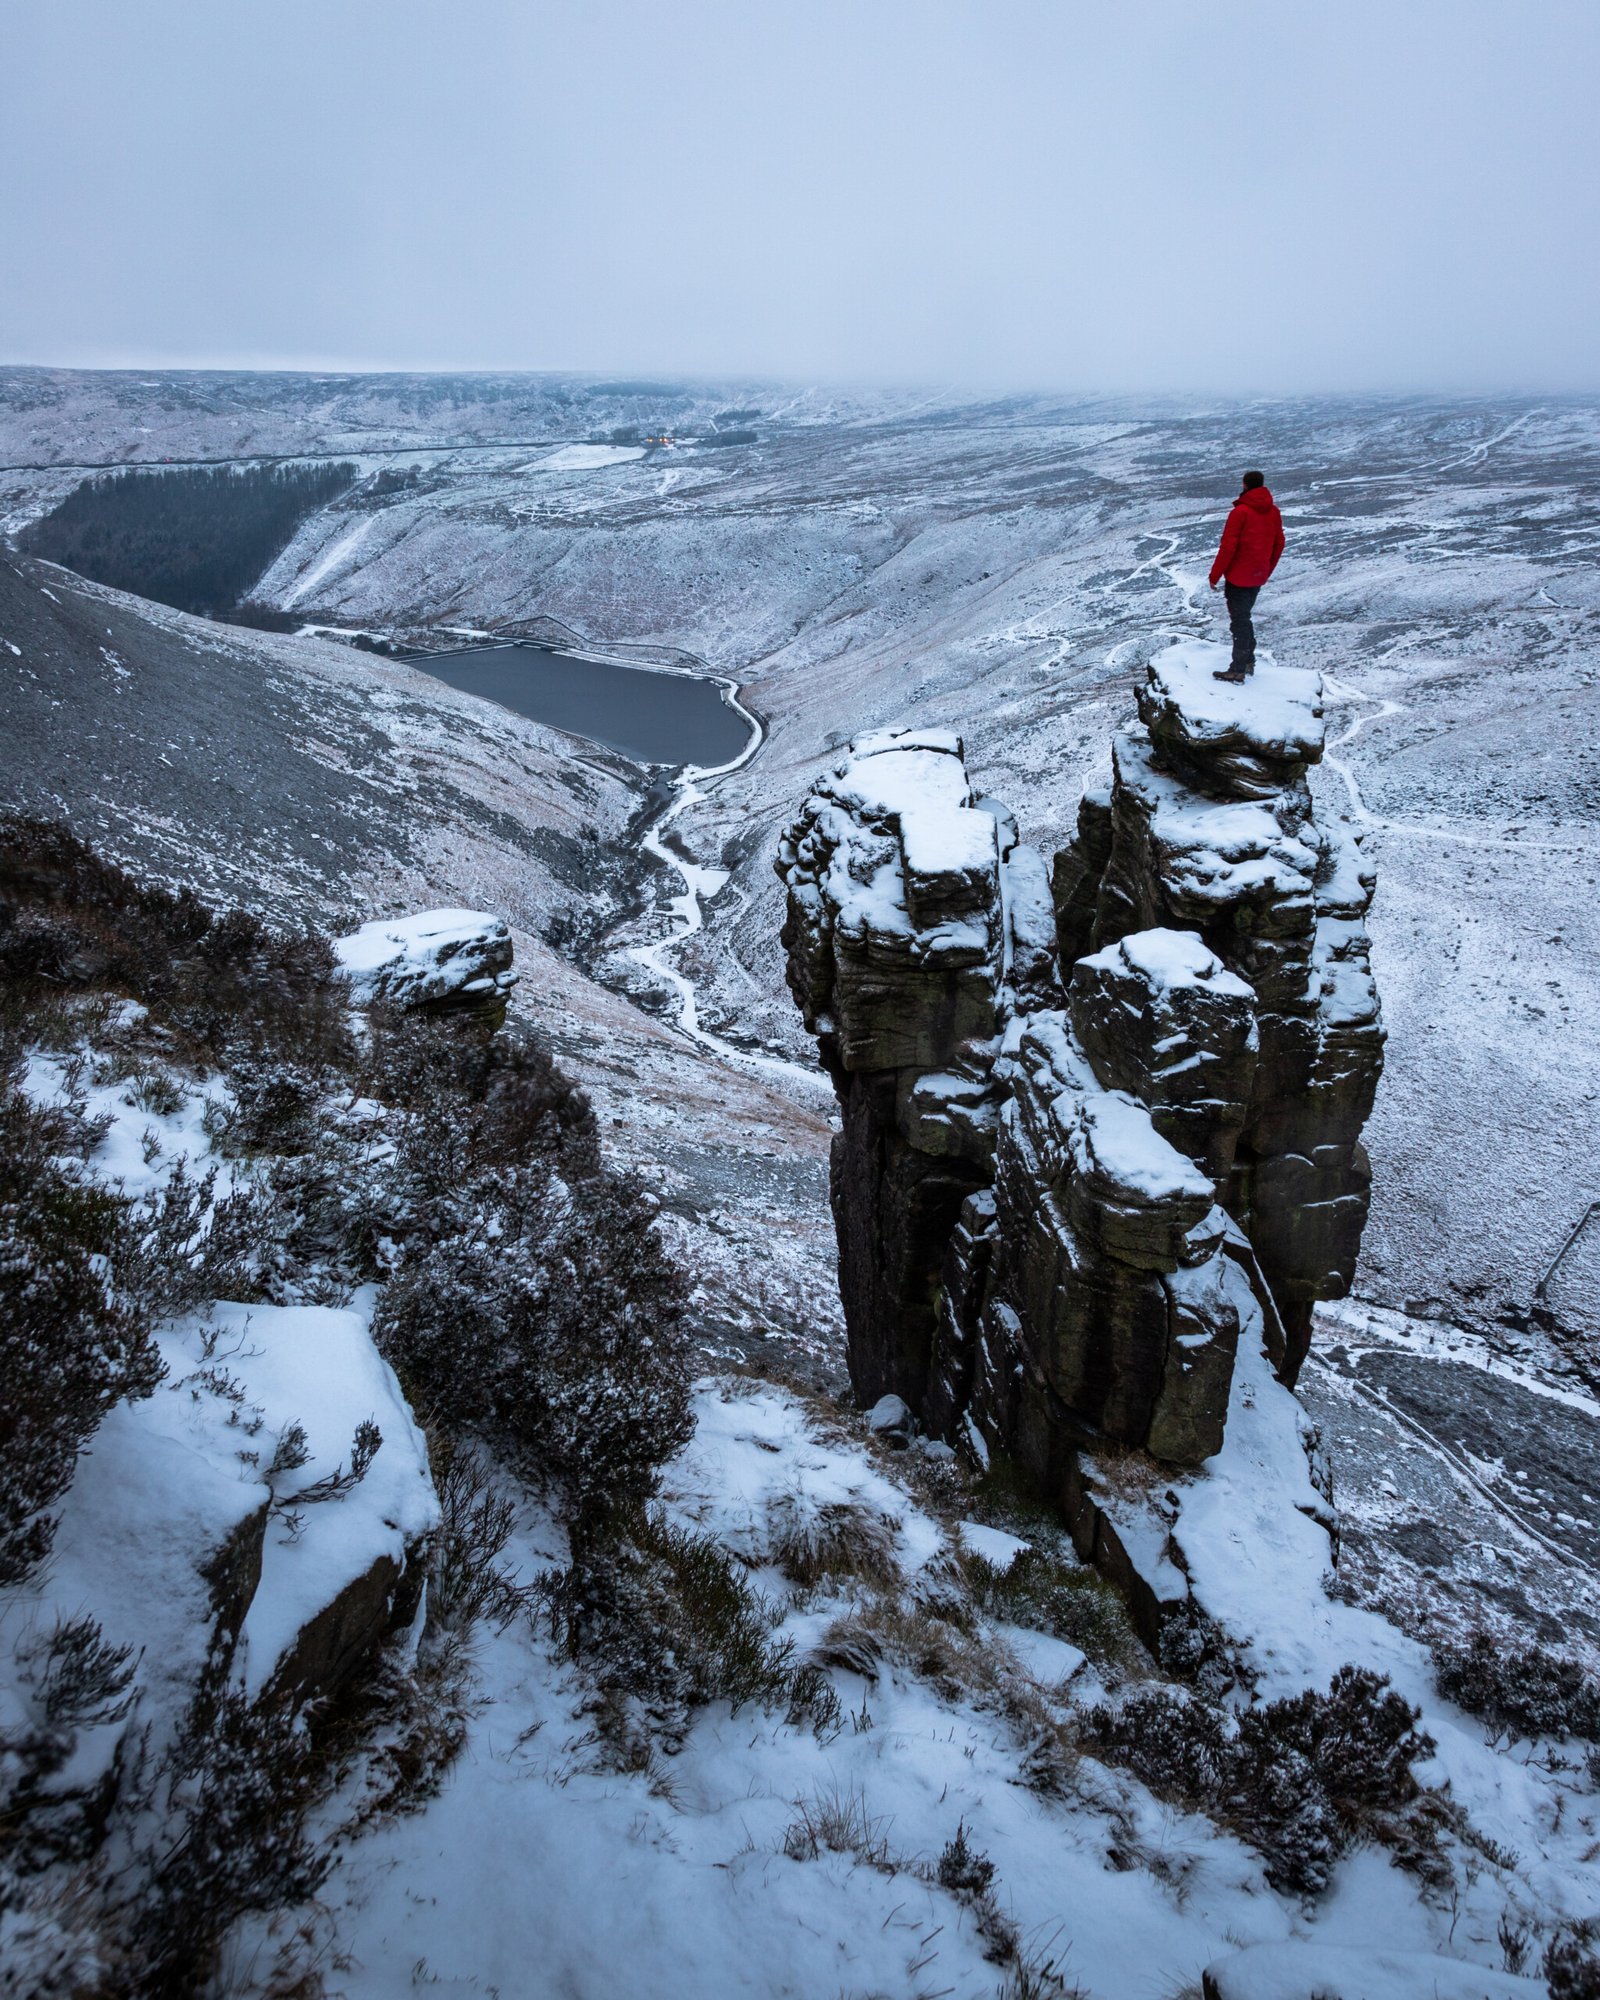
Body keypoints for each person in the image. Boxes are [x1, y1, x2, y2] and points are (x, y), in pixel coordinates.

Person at [1208, 470, 1285, 681]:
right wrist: (1267, 569)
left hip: (1238, 577)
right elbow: (1279, 543)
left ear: (1244, 485)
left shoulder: (1240, 512)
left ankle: (1238, 669)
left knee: (1239, 622)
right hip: (1258, 575)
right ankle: (1248, 660)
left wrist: (1215, 575)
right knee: (1244, 618)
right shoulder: (1274, 511)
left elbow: (1228, 547)